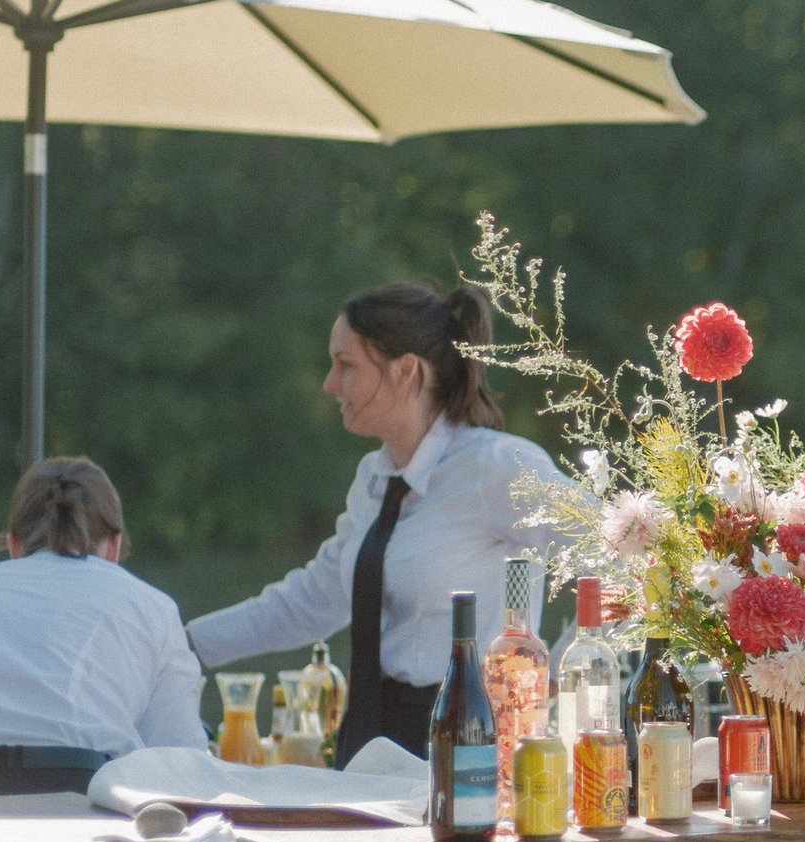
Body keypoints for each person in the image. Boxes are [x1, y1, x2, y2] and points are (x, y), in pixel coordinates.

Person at [188, 281, 555, 760]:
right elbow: (313, 599)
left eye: (346, 366)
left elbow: (619, 551)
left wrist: (566, 685)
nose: (329, 384)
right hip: (378, 732)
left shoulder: (499, 467)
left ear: (405, 372)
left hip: (473, 737)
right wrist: (186, 645)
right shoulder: (375, 479)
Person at [0, 456, 207, 800]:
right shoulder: (152, 606)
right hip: (75, 792)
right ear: (115, 546)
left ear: (14, 545)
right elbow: (179, 759)